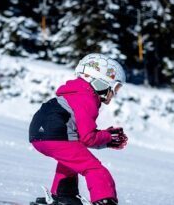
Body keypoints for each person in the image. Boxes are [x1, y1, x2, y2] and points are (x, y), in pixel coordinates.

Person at [29, 53, 128, 205]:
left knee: (71, 161)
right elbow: (88, 137)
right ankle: (104, 201)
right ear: (101, 82)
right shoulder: (86, 98)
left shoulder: (74, 93)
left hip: (38, 135)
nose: (114, 94)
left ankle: (64, 196)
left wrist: (104, 139)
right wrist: (107, 137)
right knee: (94, 169)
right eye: (115, 88)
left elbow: (82, 137)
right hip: (56, 135)